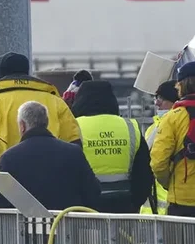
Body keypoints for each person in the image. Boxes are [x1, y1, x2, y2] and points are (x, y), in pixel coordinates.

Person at [0, 52, 82, 206]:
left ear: (0, 75)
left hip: (4, 194)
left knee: (4, 230)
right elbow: (75, 145)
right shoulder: (56, 102)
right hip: (53, 191)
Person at [0, 101, 101, 211]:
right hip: (68, 225)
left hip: (27, 226)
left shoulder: (9, 158)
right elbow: (93, 191)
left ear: (22, 126)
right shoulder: (73, 152)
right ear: (46, 122)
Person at [70, 80, 153, 213]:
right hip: (124, 206)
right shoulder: (130, 127)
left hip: (85, 208)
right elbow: (144, 174)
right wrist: (133, 204)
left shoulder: (74, 127)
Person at [150, 61, 195, 217]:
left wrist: (169, 183)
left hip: (183, 201)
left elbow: (158, 162)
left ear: (181, 86)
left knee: (182, 242)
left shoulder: (172, 118)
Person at [140, 80, 180, 215]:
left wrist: (166, 184)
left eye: (163, 99)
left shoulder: (178, 125)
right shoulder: (152, 128)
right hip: (151, 209)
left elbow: (158, 164)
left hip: (172, 204)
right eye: (157, 98)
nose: (157, 103)